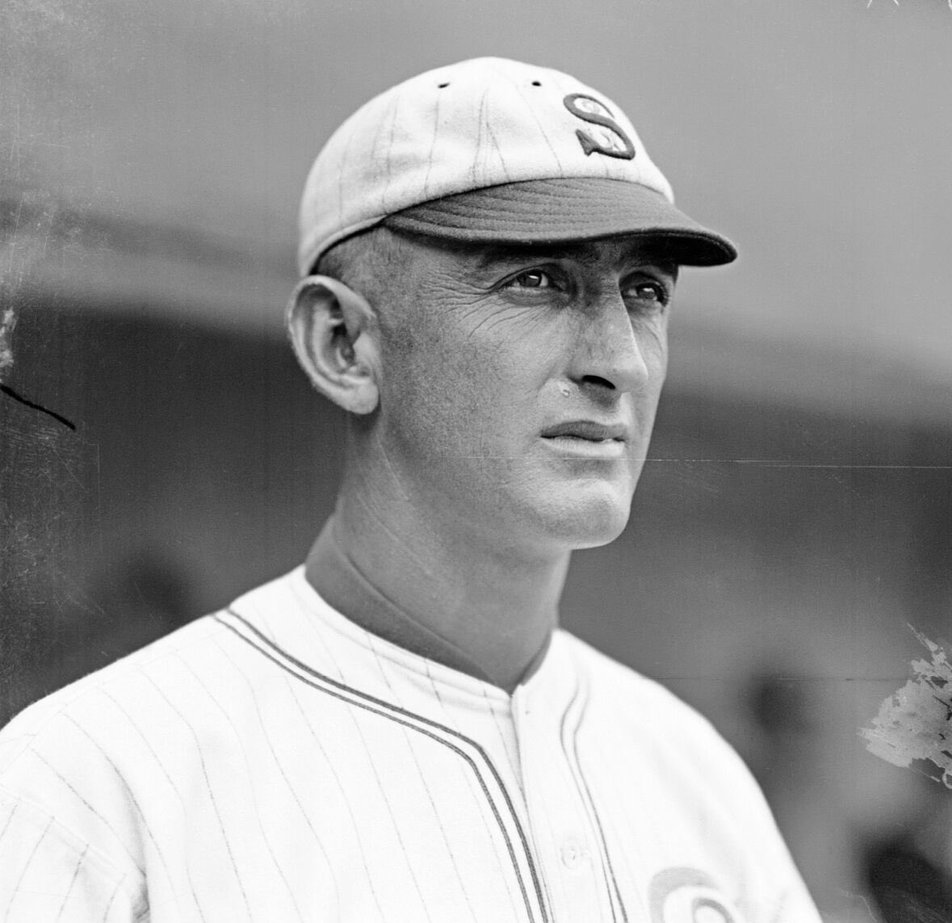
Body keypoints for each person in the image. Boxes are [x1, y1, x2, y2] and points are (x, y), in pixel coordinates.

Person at [0, 57, 819, 922]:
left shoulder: (696, 777)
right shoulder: (94, 782)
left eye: (644, 291)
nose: (617, 359)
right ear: (344, 343)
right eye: (537, 279)